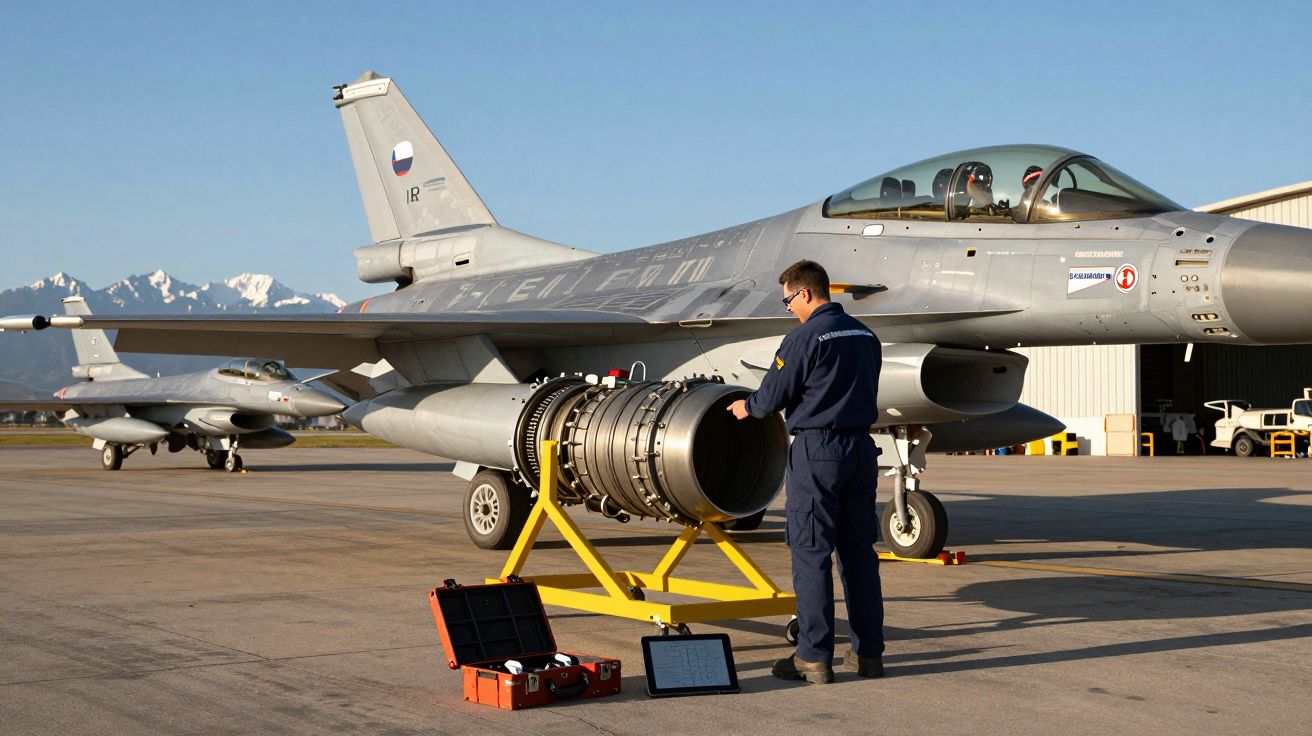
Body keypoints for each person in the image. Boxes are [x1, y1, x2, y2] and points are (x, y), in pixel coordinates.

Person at [727, 260, 884, 685]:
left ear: (804, 294)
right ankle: (869, 655)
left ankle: (813, 658)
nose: (788, 309)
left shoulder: (803, 337)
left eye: (787, 301)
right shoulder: (866, 335)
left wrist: (748, 407)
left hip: (818, 450)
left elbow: (774, 395)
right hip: (861, 449)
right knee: (859, 555)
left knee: (812, 552)